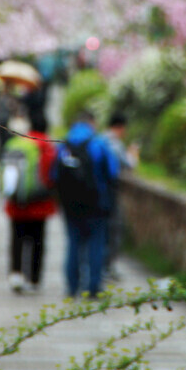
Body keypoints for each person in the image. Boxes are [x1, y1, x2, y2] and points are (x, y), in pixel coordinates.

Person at [52, 111, 119, 298]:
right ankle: (93, 286)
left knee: (73, 244)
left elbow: (54, 176)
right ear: (91, 123)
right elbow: (113, 173)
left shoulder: (63, 145)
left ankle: (72, 286)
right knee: (96, 245)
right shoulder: (99, 144)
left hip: (70, 205)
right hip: (96, 204)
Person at [1, 114, 57, 293]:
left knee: (16, 239)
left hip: (16, 204)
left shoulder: (17, 143)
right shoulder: (47, 147)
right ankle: (34, 279)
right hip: (40, 205)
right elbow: (51, 177)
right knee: (37, 241)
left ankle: (16, 274)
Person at [103, 111, 138, 281]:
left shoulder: (100, 140)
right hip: (110, 192)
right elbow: (129, 164)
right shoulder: (116, 145)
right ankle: (108, 267)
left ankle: (99, 266)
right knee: (114, 229)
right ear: (120, 127)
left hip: (96, 192)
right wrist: (133, 153)